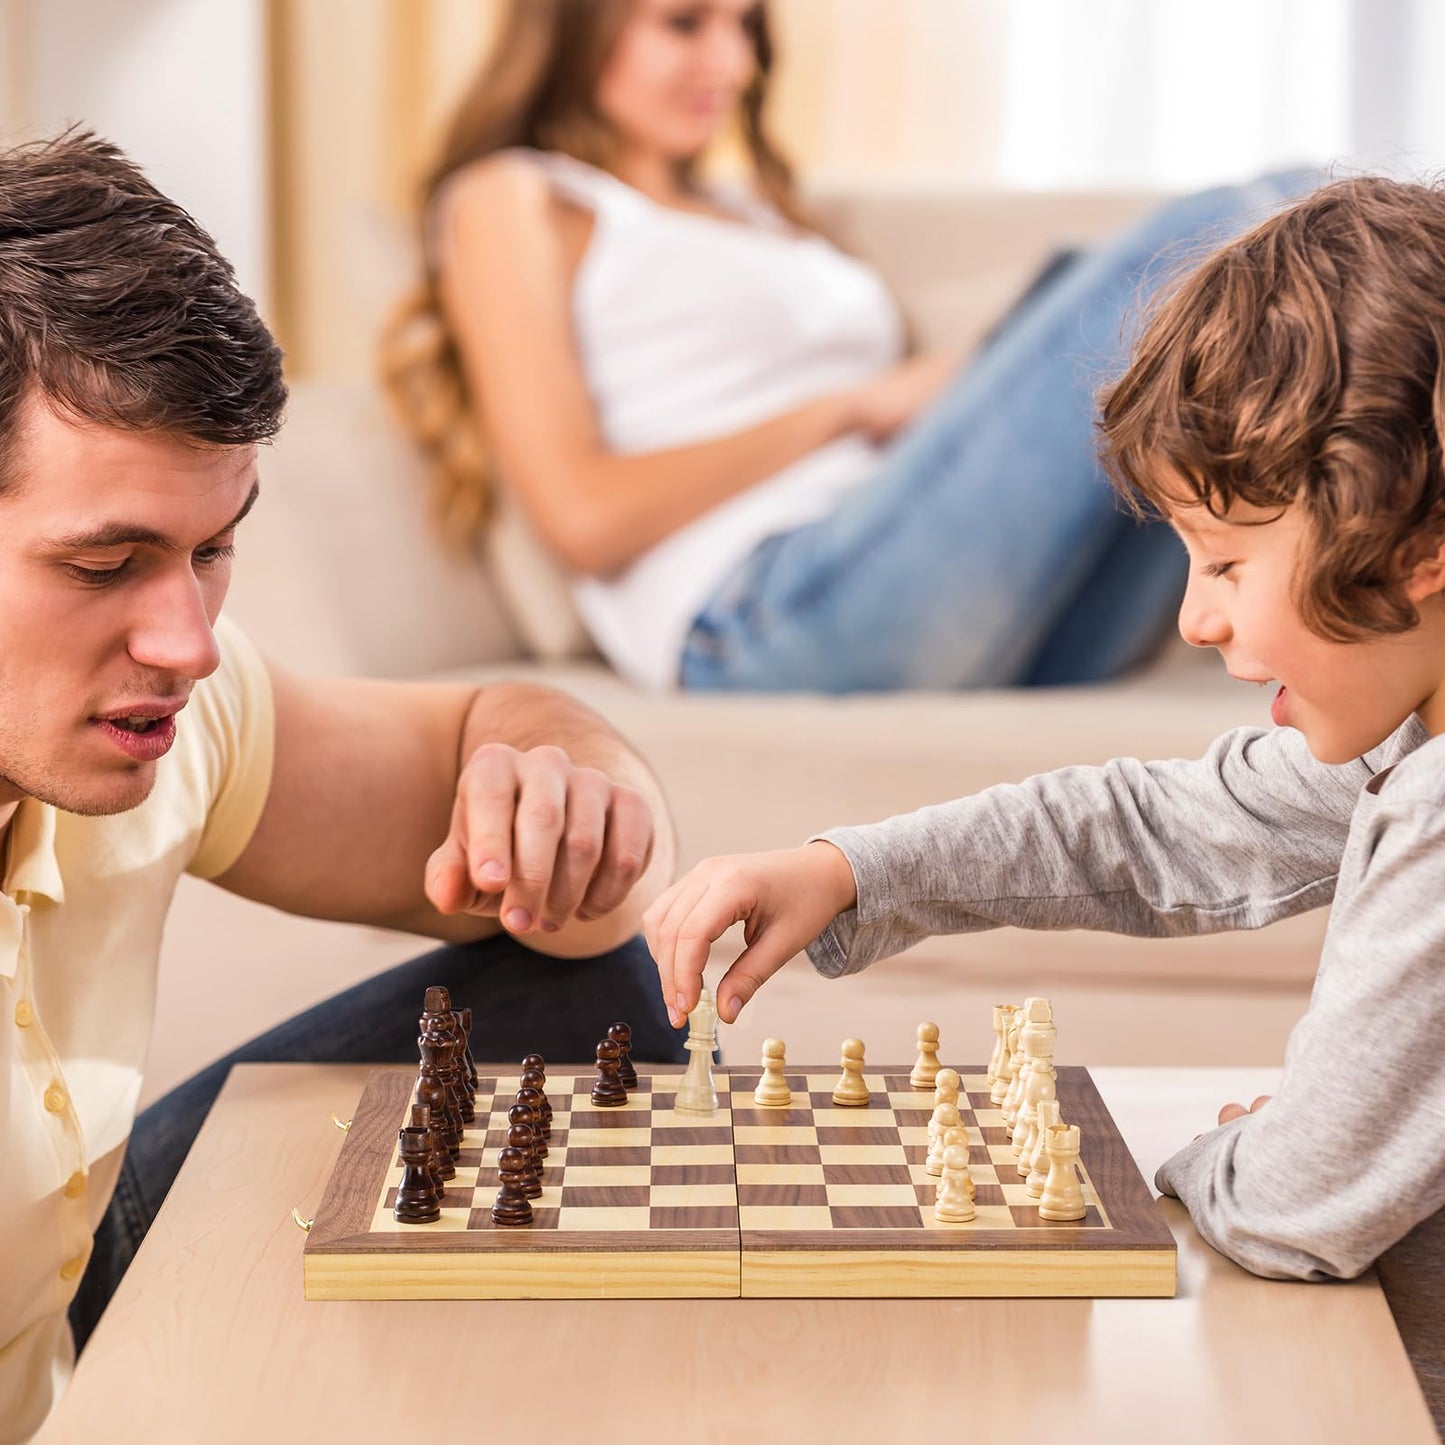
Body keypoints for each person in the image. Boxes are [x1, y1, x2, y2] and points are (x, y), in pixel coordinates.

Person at [640, 176, 1445, 1425]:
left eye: (1228, 560)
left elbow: (1296, 1207)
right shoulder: (1408, 739)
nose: (1194, 618)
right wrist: (852, 869)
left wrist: (1214, 1156)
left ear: (1414, 547)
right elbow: (1158, 824)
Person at [0, 131, 686, 1445]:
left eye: (213, 548)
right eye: (104, 565)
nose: (187, 643)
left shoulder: (169, 709)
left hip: (58, 1319)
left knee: (586, 990)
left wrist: (573, 791)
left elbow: (502, 748)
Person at [382, 0, 1317, 694]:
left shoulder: (754, 210)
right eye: (684, 23)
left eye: (745, 27)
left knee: (1264, 283)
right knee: (1237, 229)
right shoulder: (519, 197)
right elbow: (580, 513)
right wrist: (851, 408)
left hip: (975, 605)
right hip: (761, 620)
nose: (731, 62)